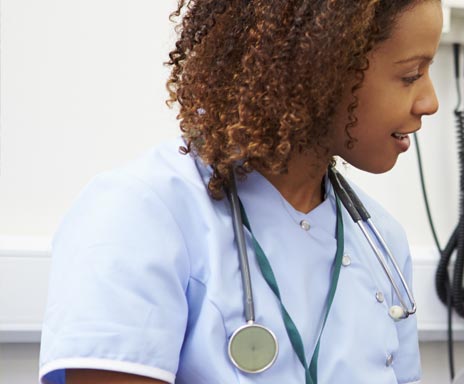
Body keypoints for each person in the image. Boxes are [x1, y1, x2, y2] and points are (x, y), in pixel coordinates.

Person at [38, 0, 441, 383]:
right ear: (317, 66)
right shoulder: (137, 215)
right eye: (410, 75)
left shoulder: (381, 242)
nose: (430, 101)